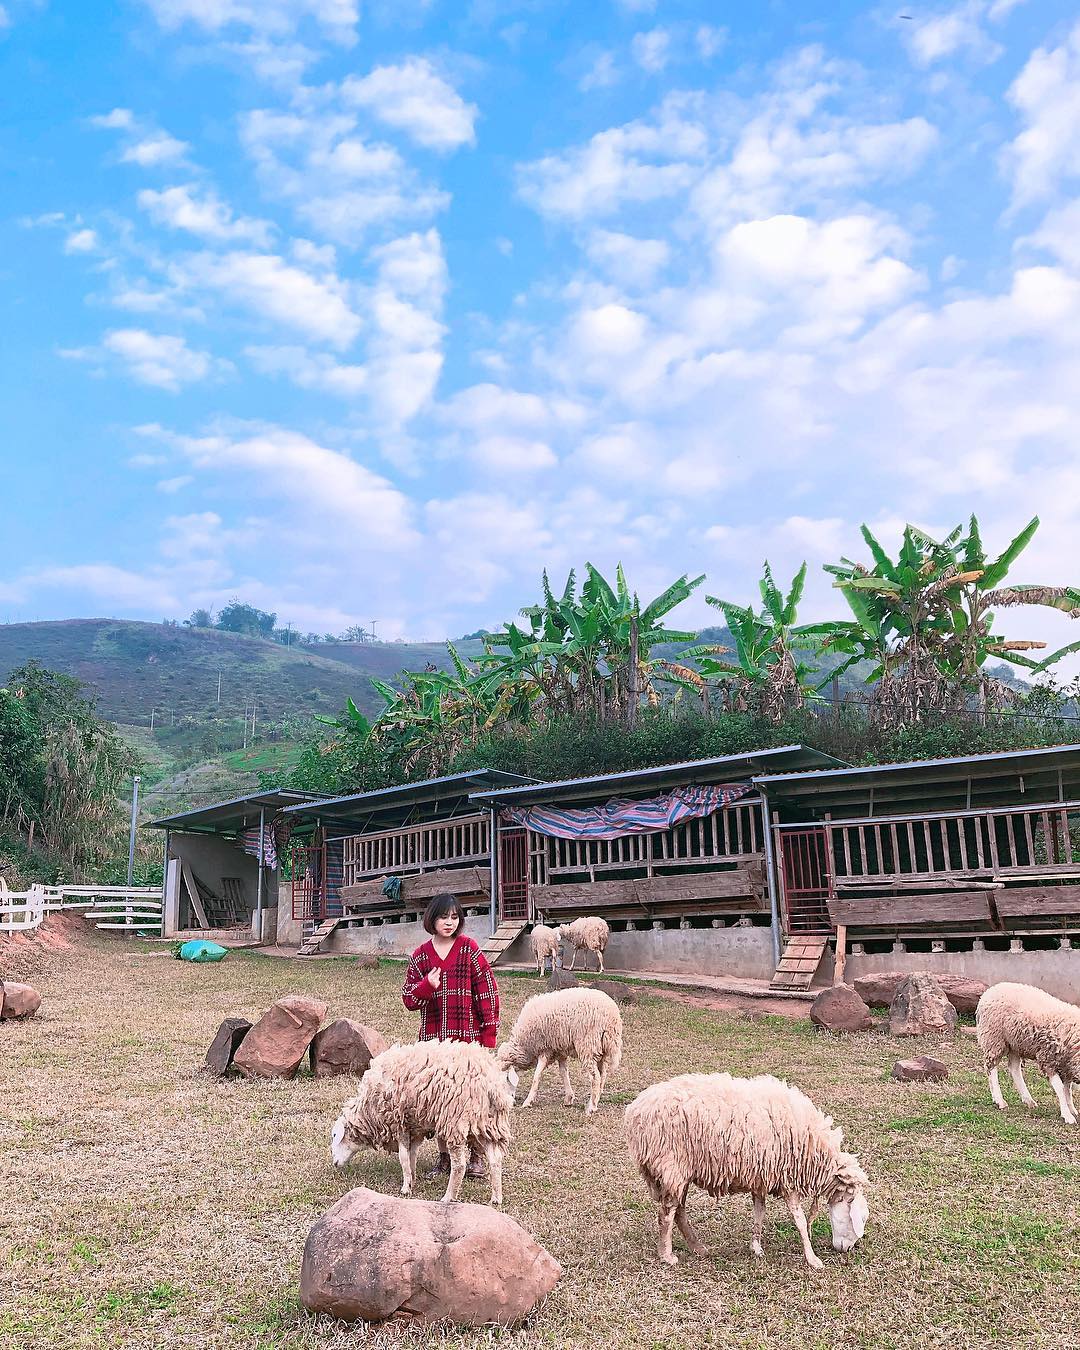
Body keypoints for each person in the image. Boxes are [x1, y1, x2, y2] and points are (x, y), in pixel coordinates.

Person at [401, 891, 500, 1179]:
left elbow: (487, 993)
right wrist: (426, 986)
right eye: (444, 917)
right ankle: (445, 1157)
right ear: (432, 919)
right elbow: (408, 1000)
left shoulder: (469, 950)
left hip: (467, 1044)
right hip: (433, 1045)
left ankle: (477, 1156)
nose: (449, 923)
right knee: (438, 1102)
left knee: (472, 1101)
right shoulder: (420, 956)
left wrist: (488, 1036)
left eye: (455, 917)